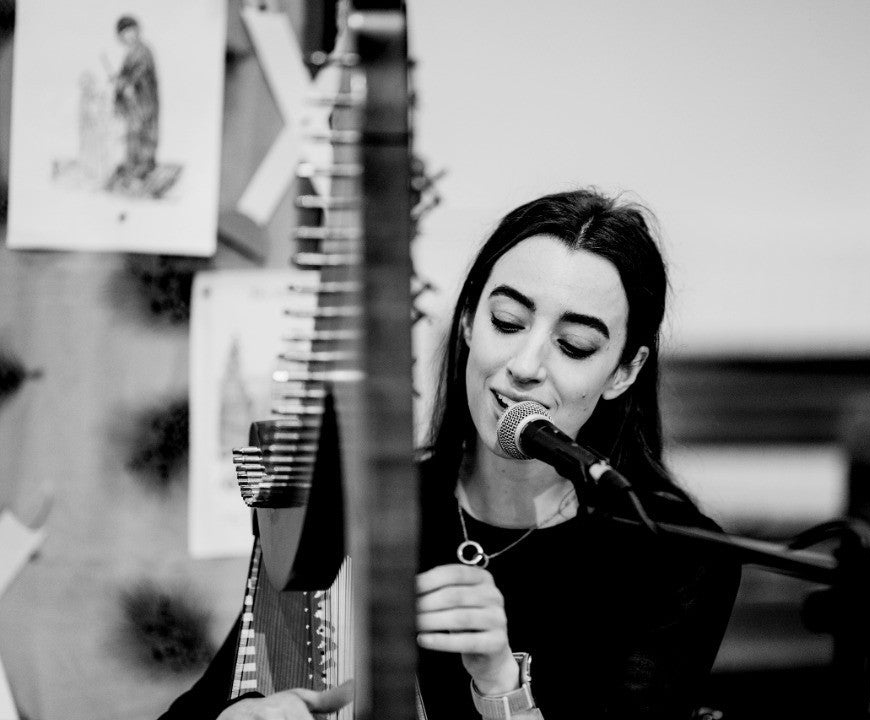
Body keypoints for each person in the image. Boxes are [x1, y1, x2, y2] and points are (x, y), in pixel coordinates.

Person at [158, 189, 741, 719]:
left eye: (575, 345)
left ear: (624, 371)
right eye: (507, 321)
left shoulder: (675, 557)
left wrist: (498, 682)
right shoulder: (366, 505)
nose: (526, 366)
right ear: (466, 321)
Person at [108, 14, 158, 190]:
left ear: (137, 31)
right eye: (124, 35)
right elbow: (127, 76)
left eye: (130, 32)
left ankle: (142, 169)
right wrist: (119, 81)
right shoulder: (131, 53)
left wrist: (124, 83)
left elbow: (139, 74)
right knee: (133, 134)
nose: (128, 37)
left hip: (144, 101)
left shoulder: (143, 51)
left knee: (142, 133)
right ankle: (133, 167)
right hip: (133, 103)